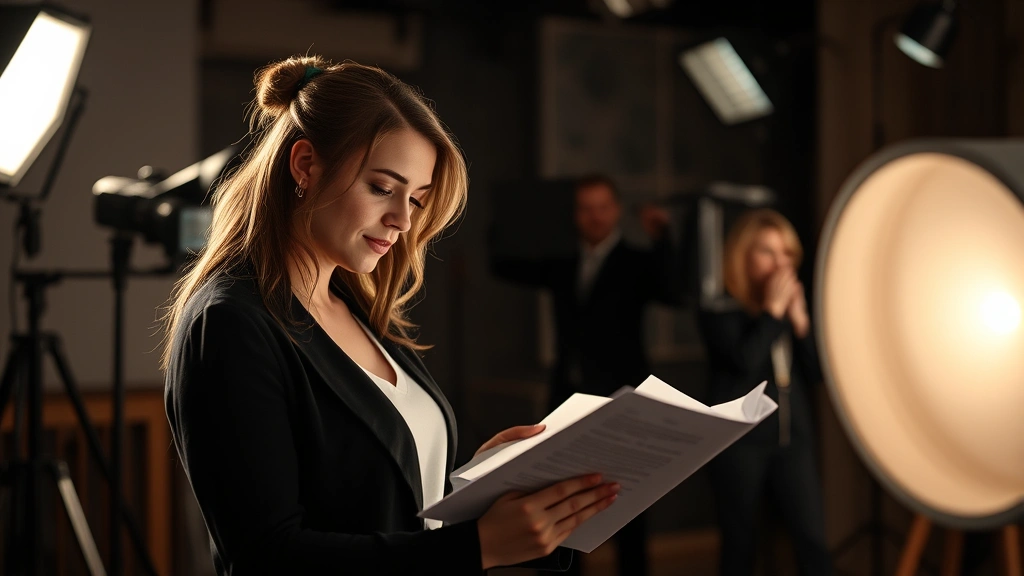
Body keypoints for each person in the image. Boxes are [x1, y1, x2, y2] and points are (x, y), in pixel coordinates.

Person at [161, 56, 621, 575]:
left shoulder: (357, 308)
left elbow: (378, 501)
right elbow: (267, 558)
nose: (403, 220)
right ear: (305, 165)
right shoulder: (230, 324)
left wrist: (478, 484)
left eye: (416, 199)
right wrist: (477, 547)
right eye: (382, 188)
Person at [491, 174, 681, 576]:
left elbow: (675, 291)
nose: (594, 216)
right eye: (585, 208)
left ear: (616, 210)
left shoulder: (636, 261)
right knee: (563, 499)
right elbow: (504, 265)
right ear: (574, 214)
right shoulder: (563, 263)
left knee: (629, 503)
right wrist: (510, 212)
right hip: (568, 396)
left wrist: (662, 237)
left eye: (602, 207)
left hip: (622, 398)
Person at [697, 208, 831, 576]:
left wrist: (801, 322)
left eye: (787, 253)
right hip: (740, 442)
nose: (780, 263)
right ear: (743, 256)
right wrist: (771, 312)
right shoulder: (720, 308)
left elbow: (817, 373)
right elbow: (744, 362)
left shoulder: (789, 311)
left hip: (793, 439)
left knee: (813, 541)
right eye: (767, 252)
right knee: (740, 545)